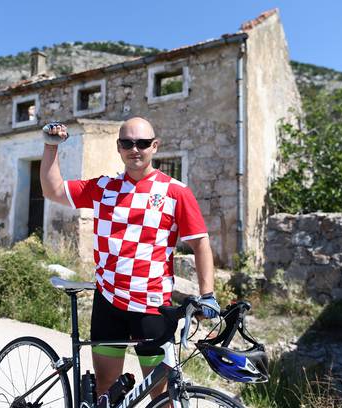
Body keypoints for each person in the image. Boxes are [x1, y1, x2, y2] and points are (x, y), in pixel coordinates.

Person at [39, 117, 219, 399]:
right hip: (109, 303)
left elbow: (201, 244)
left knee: (161, 399)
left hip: (152, 308)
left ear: (155, 146)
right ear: (119, 147)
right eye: (127, 143)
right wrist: (51, 147)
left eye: (143, 143)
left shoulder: (175, 191)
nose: (135, 149)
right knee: (105, 392)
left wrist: (207, 294)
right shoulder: (104, 187)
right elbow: (53, 190)